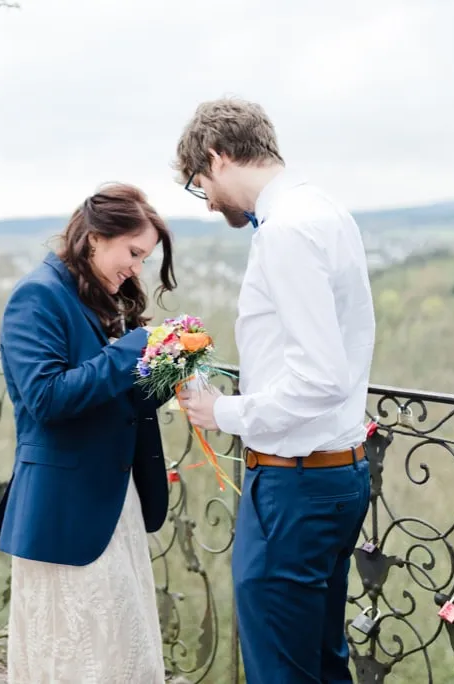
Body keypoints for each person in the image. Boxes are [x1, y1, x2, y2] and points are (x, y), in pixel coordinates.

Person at [174, 98, 375, 684]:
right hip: (336, 474)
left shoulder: (286, 229)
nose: (207, 202)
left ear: (217, 156)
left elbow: (320, 377)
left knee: (280, 671)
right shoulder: (326, 210)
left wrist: (223, 411)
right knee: (323, 664)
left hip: (295, 487)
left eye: (199, 184)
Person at [0, 182, 177, 683]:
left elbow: (113, 402)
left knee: (119, 648)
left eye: (144, 258)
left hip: (114, 500)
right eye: (133, 253)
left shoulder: (95, 296)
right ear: (95, 237)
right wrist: (131, 349)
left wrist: (164, 372)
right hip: (65, 511)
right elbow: (46, 398)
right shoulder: (38, 295)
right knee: (76, 658)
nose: (137, 268)